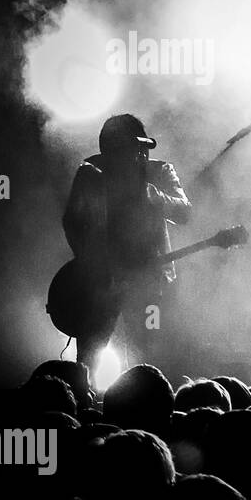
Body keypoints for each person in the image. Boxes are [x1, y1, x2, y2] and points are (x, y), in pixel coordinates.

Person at [62, 114, 190, 373]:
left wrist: (155, 197)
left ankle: (147, 398)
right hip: (102, 281)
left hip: (150, 277)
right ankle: (84, 400)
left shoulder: (160, 171)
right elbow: (71, 222)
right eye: (131, 149)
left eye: (141, 149)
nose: (139, 155)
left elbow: (185, 212)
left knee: (148, 354)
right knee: (89, 355)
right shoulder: (90, 173)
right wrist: (89, 265)